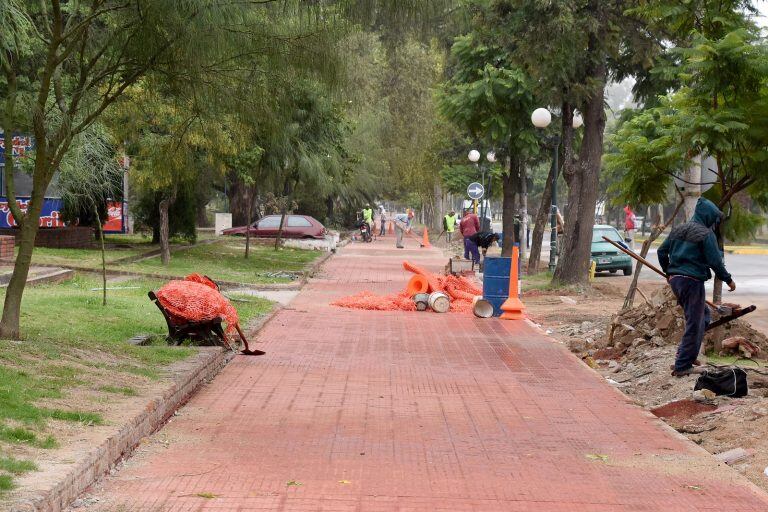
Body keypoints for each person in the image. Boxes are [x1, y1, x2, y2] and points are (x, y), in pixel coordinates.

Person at [658, 198, 736, 377]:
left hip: (677, 280)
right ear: (708, 216)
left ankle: (687, 355)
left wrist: (669, 273)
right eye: (714, 218)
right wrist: (728, 280)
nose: (715, 222)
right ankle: (682, 366)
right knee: (695, 322)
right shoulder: (705, 234)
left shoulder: (678, 229)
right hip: (692, 281)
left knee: (704, 317)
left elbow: (662, 252)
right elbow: (715, 261)